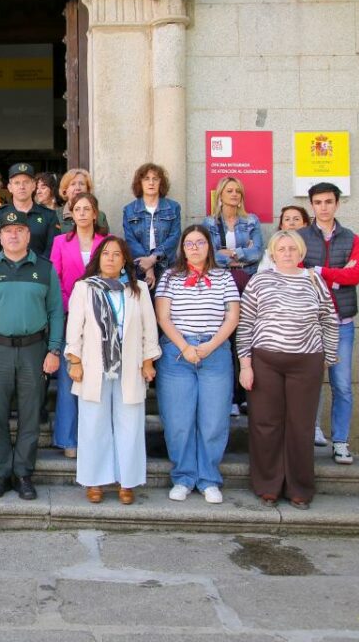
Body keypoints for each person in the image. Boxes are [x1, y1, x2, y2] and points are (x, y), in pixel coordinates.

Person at [0, 211, 64, 501]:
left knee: (30, 415)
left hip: (35, 351)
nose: (13, 235)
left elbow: (56, 311)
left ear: (28, 235)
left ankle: (22, 473)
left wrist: (54, 349)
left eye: (19, 230)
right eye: (7, 231)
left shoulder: (45, 269)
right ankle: (0, 473)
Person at [238, 231, 339, 509]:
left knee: (300, 426)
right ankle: (268, 485)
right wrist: (245, 365)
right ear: (272, 253)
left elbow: (329, 318)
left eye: (292, 248)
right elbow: (245, 325)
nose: (287, 253)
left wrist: (328, 357)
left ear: (301, 252)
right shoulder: (259, 281)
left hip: (306, 361)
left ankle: (299, 488)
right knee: (265, 424)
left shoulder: (314, 279)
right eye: (281, 248)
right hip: (265, 360)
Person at [65, 236, 160, 505]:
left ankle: (126, 481)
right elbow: (75, 327)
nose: (110, 258)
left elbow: (148, 328)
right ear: (98, 258)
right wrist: (75, 360)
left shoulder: (137, 288)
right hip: (94, 366)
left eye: (116, 254)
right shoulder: (84, 288)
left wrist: (148, 361)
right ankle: (94, 480)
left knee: (130, 424)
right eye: (106, 253)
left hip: (129, 366)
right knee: (93, 424)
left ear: (124, 260)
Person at [155, 225, 241, 504]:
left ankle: (208, 479)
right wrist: (186, 347)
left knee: (213, 420)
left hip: (214, 352)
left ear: (209, 246)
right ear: (182, 248)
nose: (194, 248)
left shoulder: (224, 277)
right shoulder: (170, 277)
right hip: (178, 354)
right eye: (189, 243)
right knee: (178, 420)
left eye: (200, 242)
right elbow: (163, 317)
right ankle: (183, 477)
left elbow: (232, 317)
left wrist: (209, 346)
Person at [297, 182, 359, 466]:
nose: (323, 207)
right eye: (318, 202)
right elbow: (297, 273)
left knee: (342, 385)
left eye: (328, 201)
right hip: (308, 322)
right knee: (308, 384)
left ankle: (340, 442)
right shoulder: (299, 237)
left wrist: (320, 271)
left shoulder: (351, 238)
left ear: (337, 204)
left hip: (342, 323)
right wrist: (336, 276)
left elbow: (355, 276)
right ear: (311, 205)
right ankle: (305, 438)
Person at [49, 192, 108, 458]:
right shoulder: (60, 242)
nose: (82, 213)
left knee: (97, 378)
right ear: (71, 214)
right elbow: (55, 279)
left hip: (101, 319)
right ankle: (68, 438)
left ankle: (95, 437)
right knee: (68, 378)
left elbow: (113, 277)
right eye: (78, 209)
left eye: (87, 209)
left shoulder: (107, 243)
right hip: (68, 316)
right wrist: (73, 306)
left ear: (95, 213)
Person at [201, 176, 263, 418]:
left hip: (246, 283)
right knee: (224, 339)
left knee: (245, 340)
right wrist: (238, 254)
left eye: (238, 191)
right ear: (221, 195)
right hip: (220, 286)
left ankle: (245, 396)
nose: (234, 195)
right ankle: (230, 399)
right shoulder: (209, 223)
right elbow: (209, 255)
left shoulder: (251, 220)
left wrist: (231, 253)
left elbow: (257, 251)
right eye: (229, 191)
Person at [122, 162, 182, 289]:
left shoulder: (173, 207)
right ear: (140, 183)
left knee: (165, 306)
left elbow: (174, 237)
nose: (151, 183)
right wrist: (147, 266)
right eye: (146, 179)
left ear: (161, 183)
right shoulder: (129, 210)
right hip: (139, 269)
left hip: (167, 267)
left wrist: (153, 259)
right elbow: (130, 241)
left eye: (155, 179)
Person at [0, 163, 58, 256]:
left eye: (26, 182)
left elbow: (52, 251)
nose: (22, 187)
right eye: (17, 182)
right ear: (10, 187)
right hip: (5, 270)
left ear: (33, 186)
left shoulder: (49, 216)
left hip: (39, 269)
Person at [256, 205, 310, 273]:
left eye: (296, 219)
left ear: (305, 224)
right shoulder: (270, 252)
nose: (291, 223)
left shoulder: (313, 249)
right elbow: (261, 277)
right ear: (281, 226)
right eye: (287, 219)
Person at [56, 168, 109, 233]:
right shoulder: (55, 215)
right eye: (73, 184)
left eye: (82, 184)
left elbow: (106, 241)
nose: (78, 188)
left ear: (88, 189)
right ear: (65, 190)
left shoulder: (100, 216)